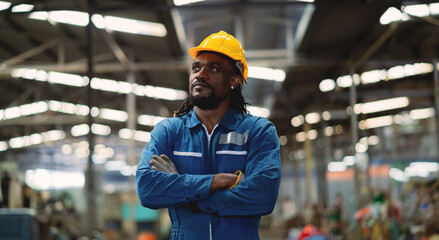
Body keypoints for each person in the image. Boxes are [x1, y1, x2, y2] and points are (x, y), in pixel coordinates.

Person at [136, 30, 281, 239]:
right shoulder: (169, 131)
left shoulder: (258, 131)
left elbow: (263, 196)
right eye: (196, 67)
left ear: (234, 81)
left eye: (213, 68)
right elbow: (147, 190)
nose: (200, 74)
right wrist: (215, 182)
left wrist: (182, 187)